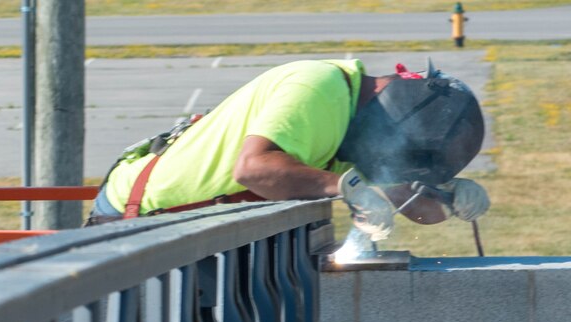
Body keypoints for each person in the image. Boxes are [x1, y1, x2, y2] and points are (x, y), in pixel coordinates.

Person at [86, 57, 490, 241]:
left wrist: (452, 197)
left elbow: (418, 210)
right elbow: (254, 169)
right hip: (135, 218)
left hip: (190, 231)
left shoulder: (364, 133)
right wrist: (347, 188)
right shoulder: (317, 87)